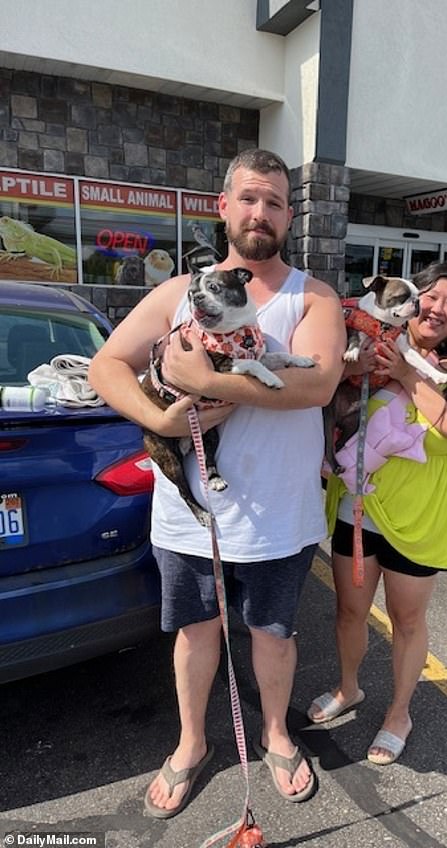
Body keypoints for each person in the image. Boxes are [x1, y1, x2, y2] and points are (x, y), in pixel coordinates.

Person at [88, 148, 346, 815]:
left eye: (276, 202)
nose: (262, 213)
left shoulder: (311, 297)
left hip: (280, 514)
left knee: (273, 634)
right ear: (223, 206)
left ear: (290, 216)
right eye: (250, 198)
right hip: (190, 514)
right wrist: (160, 419)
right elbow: (107, 364)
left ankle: (277, 734)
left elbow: (316, 382)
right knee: (196, 633)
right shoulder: (179, 294)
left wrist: (206, 381)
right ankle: (192, 743)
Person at [307, 261, 447, 765]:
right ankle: (349, 688)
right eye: (430, 296)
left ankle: (399, 712)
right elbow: (323, 392)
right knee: (349, 610)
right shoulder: (368, 345)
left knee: (408, 621)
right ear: (410, 299)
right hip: (358, 506)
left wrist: (408, 373)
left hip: (420, 513)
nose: (438, 309)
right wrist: (356, 366)